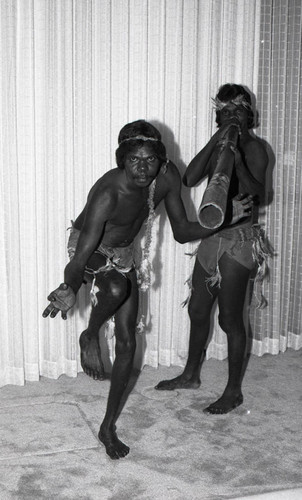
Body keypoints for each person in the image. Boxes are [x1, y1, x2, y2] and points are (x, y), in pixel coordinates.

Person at [43, 119, 252, 459]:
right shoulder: (108, 193)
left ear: (161, 159)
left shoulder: (167, 177)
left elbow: (183, 231)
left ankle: (107, 427)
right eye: (134, 160)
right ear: (121, 160)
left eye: (150, 160)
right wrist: (70, 285)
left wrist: (225, 218)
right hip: (89, 247)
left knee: (128, 341)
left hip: (124, 253)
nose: (142, 168)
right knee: (113, 291)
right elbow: (81, 257)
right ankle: (90, 335)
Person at [155, 84, 270, 414]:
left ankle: (233, 391)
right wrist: (219, 142)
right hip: (211, 238)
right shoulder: (220, 142)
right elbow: (190, 178)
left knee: (231, 320)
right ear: (217, 116)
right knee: (197, 311)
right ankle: (191, 375)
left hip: (238, 241)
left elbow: (262, 195)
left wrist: (237, 157)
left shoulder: (257, 148)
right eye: (226, 113)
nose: (233, 117)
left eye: (239, 112)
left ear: (250, 116)